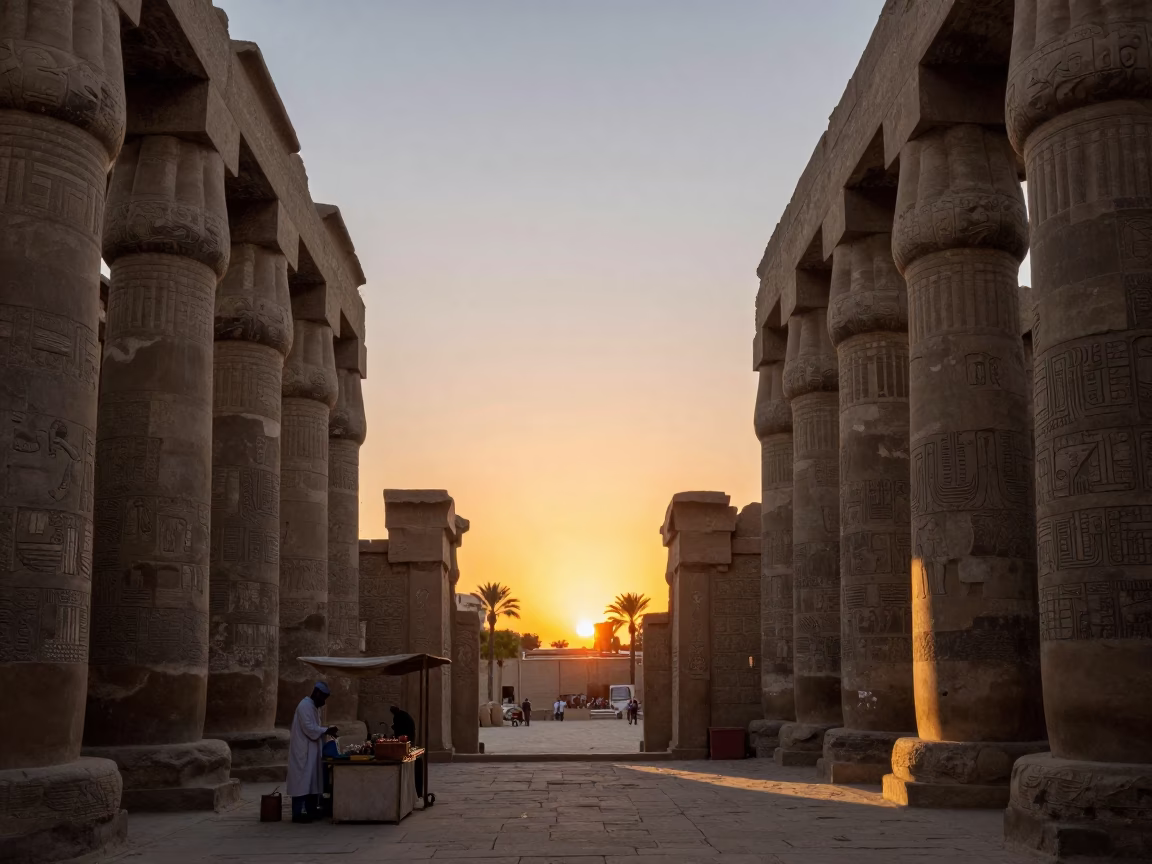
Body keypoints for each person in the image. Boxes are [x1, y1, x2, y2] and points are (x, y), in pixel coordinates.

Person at [287, 682, 338, 823]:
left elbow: (315, 727)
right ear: (317, 694)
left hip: (312, 750)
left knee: (312, 780)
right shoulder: (304, 706)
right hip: (303, 750)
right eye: (323, 698)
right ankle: (298, 813)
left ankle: (310, 810)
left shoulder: (314, 707)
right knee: (302, 781)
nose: (324, 702)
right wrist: (326, 730)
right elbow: (309, 728)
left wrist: (326, 731)